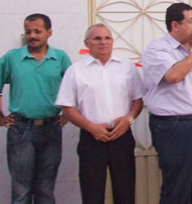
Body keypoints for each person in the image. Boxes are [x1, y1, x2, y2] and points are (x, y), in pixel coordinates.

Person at [141, 2, 192, 204]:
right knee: (177, 188)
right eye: (190, 21)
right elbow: (173, 75)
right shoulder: (158, 48)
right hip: (177, 127)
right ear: (175, 25)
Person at [55, 24, 145, 204]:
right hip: (92, 139)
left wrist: (129, 119)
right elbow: (67, 107)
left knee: (125, 192)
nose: (103, 43)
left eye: (107, 38)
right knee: (92, 193)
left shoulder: (127, 67)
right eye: (97, 39)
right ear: (87, 43)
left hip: (122, 137)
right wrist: (91, 127)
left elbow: (138, 100)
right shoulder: (76, 70)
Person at [0, 13, 71, 204]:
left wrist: (68, 115)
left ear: (49, 32)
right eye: (28, 32)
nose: (32, 36)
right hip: (21, 130)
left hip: (52, 128)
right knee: (21, 190)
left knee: (46, 189)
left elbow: (73, 88)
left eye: (38, 31)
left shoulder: (60, 58)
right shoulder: (12, 58)